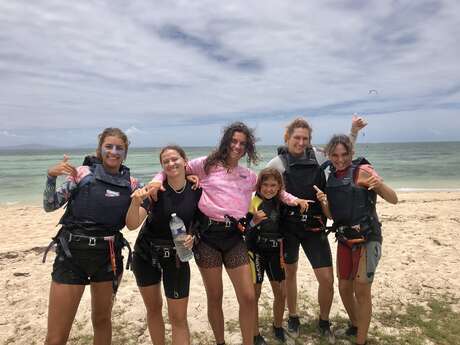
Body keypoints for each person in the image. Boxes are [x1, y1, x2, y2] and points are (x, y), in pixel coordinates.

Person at [147, 122, 310, 345]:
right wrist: (156, 182)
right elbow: (172, 168)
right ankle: (221, 342)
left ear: (247, 147)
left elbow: (275, 190)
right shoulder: (206, 165)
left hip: (234, 238)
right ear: (226, 142)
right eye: (233, 141)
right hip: (207, 238)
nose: (237, 146)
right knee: (215, 297)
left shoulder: (249, 176)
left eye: (242, 143)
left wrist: (295, 200)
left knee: (248, 296)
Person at [266, 115, 367, 342]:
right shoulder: (277, 164)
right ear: (287, 137)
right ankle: (293, 317)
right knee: (290, 274)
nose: (301, 143)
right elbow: (263, 189)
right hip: (288, 229)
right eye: (297, 138)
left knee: (327, 279)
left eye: (305, 138)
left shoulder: (319, 155)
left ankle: (323, 320)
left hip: (315, 227)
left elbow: (343, 154)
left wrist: (353, 130)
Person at [42, 128, 139, 345]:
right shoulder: (82, 174)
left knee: (102, 320)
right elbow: (50, 205)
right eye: (109, 146)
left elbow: (157, 193)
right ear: (100, 149)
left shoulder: (131, 184)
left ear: (125, 153)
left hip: (109, 257)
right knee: (56, 336)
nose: (114, 152)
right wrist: (51, 177)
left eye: (119, 148)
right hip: (72, 255)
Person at [315, 134, 397, 345]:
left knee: (361, 288)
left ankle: (361, 341)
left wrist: (379, 185)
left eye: (344, 154)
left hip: (367, 238)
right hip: (344, 239)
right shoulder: (331, 177)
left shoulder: (363, 170)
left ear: (352, 153)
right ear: (329, 155)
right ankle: (356, 324)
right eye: (335, 155)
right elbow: (333, 215)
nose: (340, 159)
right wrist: (324, 202)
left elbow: (393, 199)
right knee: (344, 288)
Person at [125, 145, 201, 345]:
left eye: (174, 159)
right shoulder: (155, 190)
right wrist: (135, 203)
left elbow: (200, 223)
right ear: (162, 166)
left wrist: (193, 236)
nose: (170, 163)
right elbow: (132, 224)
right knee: (154, 309)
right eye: (165, 161)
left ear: (185, 161)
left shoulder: (197, 190)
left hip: (177, 257)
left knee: (178, 318)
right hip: (146, 255)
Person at [245, 168, 288, 345]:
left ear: (279, 187)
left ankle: (278, 326)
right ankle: (255, 334)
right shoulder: (253, 201)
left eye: (273, 185)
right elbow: (244, 229)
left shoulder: (281, 202)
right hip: (255, 252)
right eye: (265, 185)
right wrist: (253, 221)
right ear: (259, 185)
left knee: (281, 293)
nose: (269, 189)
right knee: (255, 294)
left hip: (276, 252)